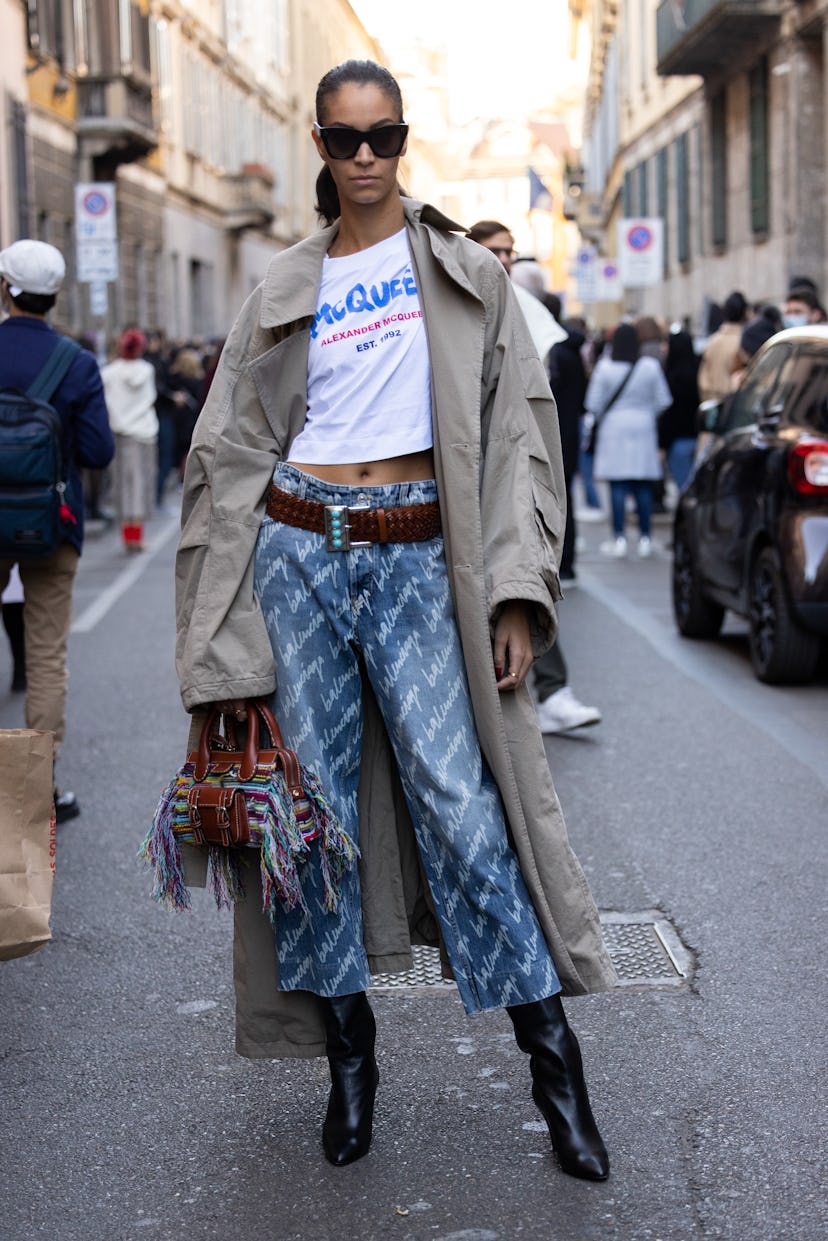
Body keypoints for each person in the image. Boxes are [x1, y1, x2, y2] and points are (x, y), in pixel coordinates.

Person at [175, 61, 615, 1179]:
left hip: (422, 556)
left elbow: (524, 437)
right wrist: (217, 624)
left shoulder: (465, 270)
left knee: (463, 808)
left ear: (404, 140)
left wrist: (521, 590)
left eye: (383, 136)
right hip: (300, 549)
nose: (364, 156)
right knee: (311, 817)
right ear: (320, 146)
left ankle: (555, 1070)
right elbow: (226, 448)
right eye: (343, 138)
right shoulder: (283, 282)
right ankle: (350, 1061)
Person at [466, 219, 601, 734]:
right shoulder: (449, 302)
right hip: (460, 468)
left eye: (509, 252)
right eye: (492, 251)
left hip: (512, 462)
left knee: (522, 578)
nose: (503, 261)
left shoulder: (525, 309)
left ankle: (552, 691)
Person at [0, 239, 114, 822]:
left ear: (4, 289)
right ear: (55, 297)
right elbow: (98, 451)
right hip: (50, 525)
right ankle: (39, 787)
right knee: (46, 657)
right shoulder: (76, 363)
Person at [585, 321, 672, 557]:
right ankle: (645, 538)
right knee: (643, 484)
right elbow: (663, 400)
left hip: (614, 429)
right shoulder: (650, 367)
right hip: (643, 428)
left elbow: (593, 403)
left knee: (618, 484)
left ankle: (619, 538)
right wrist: (645, 412)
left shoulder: (605, 369)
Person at [102, 328, 158, 552]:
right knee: (141, 483)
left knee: (122, 484)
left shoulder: (108, 373)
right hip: (144, 431)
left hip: (119, 432)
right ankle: (137, 535)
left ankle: (126, 535)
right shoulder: (147, 370)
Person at [659, 328, 701, 493]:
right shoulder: (698, 372)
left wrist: (662, 444)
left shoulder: (671, 378)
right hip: (698, 437)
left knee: (684, 489)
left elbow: (669, 416)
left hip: (678, 441)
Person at [698, 291, 748, 401]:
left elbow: (703, 379)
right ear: (744, 313)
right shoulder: (745, 341)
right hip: (735, 404)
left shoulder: (712, 342)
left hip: (713, 403)